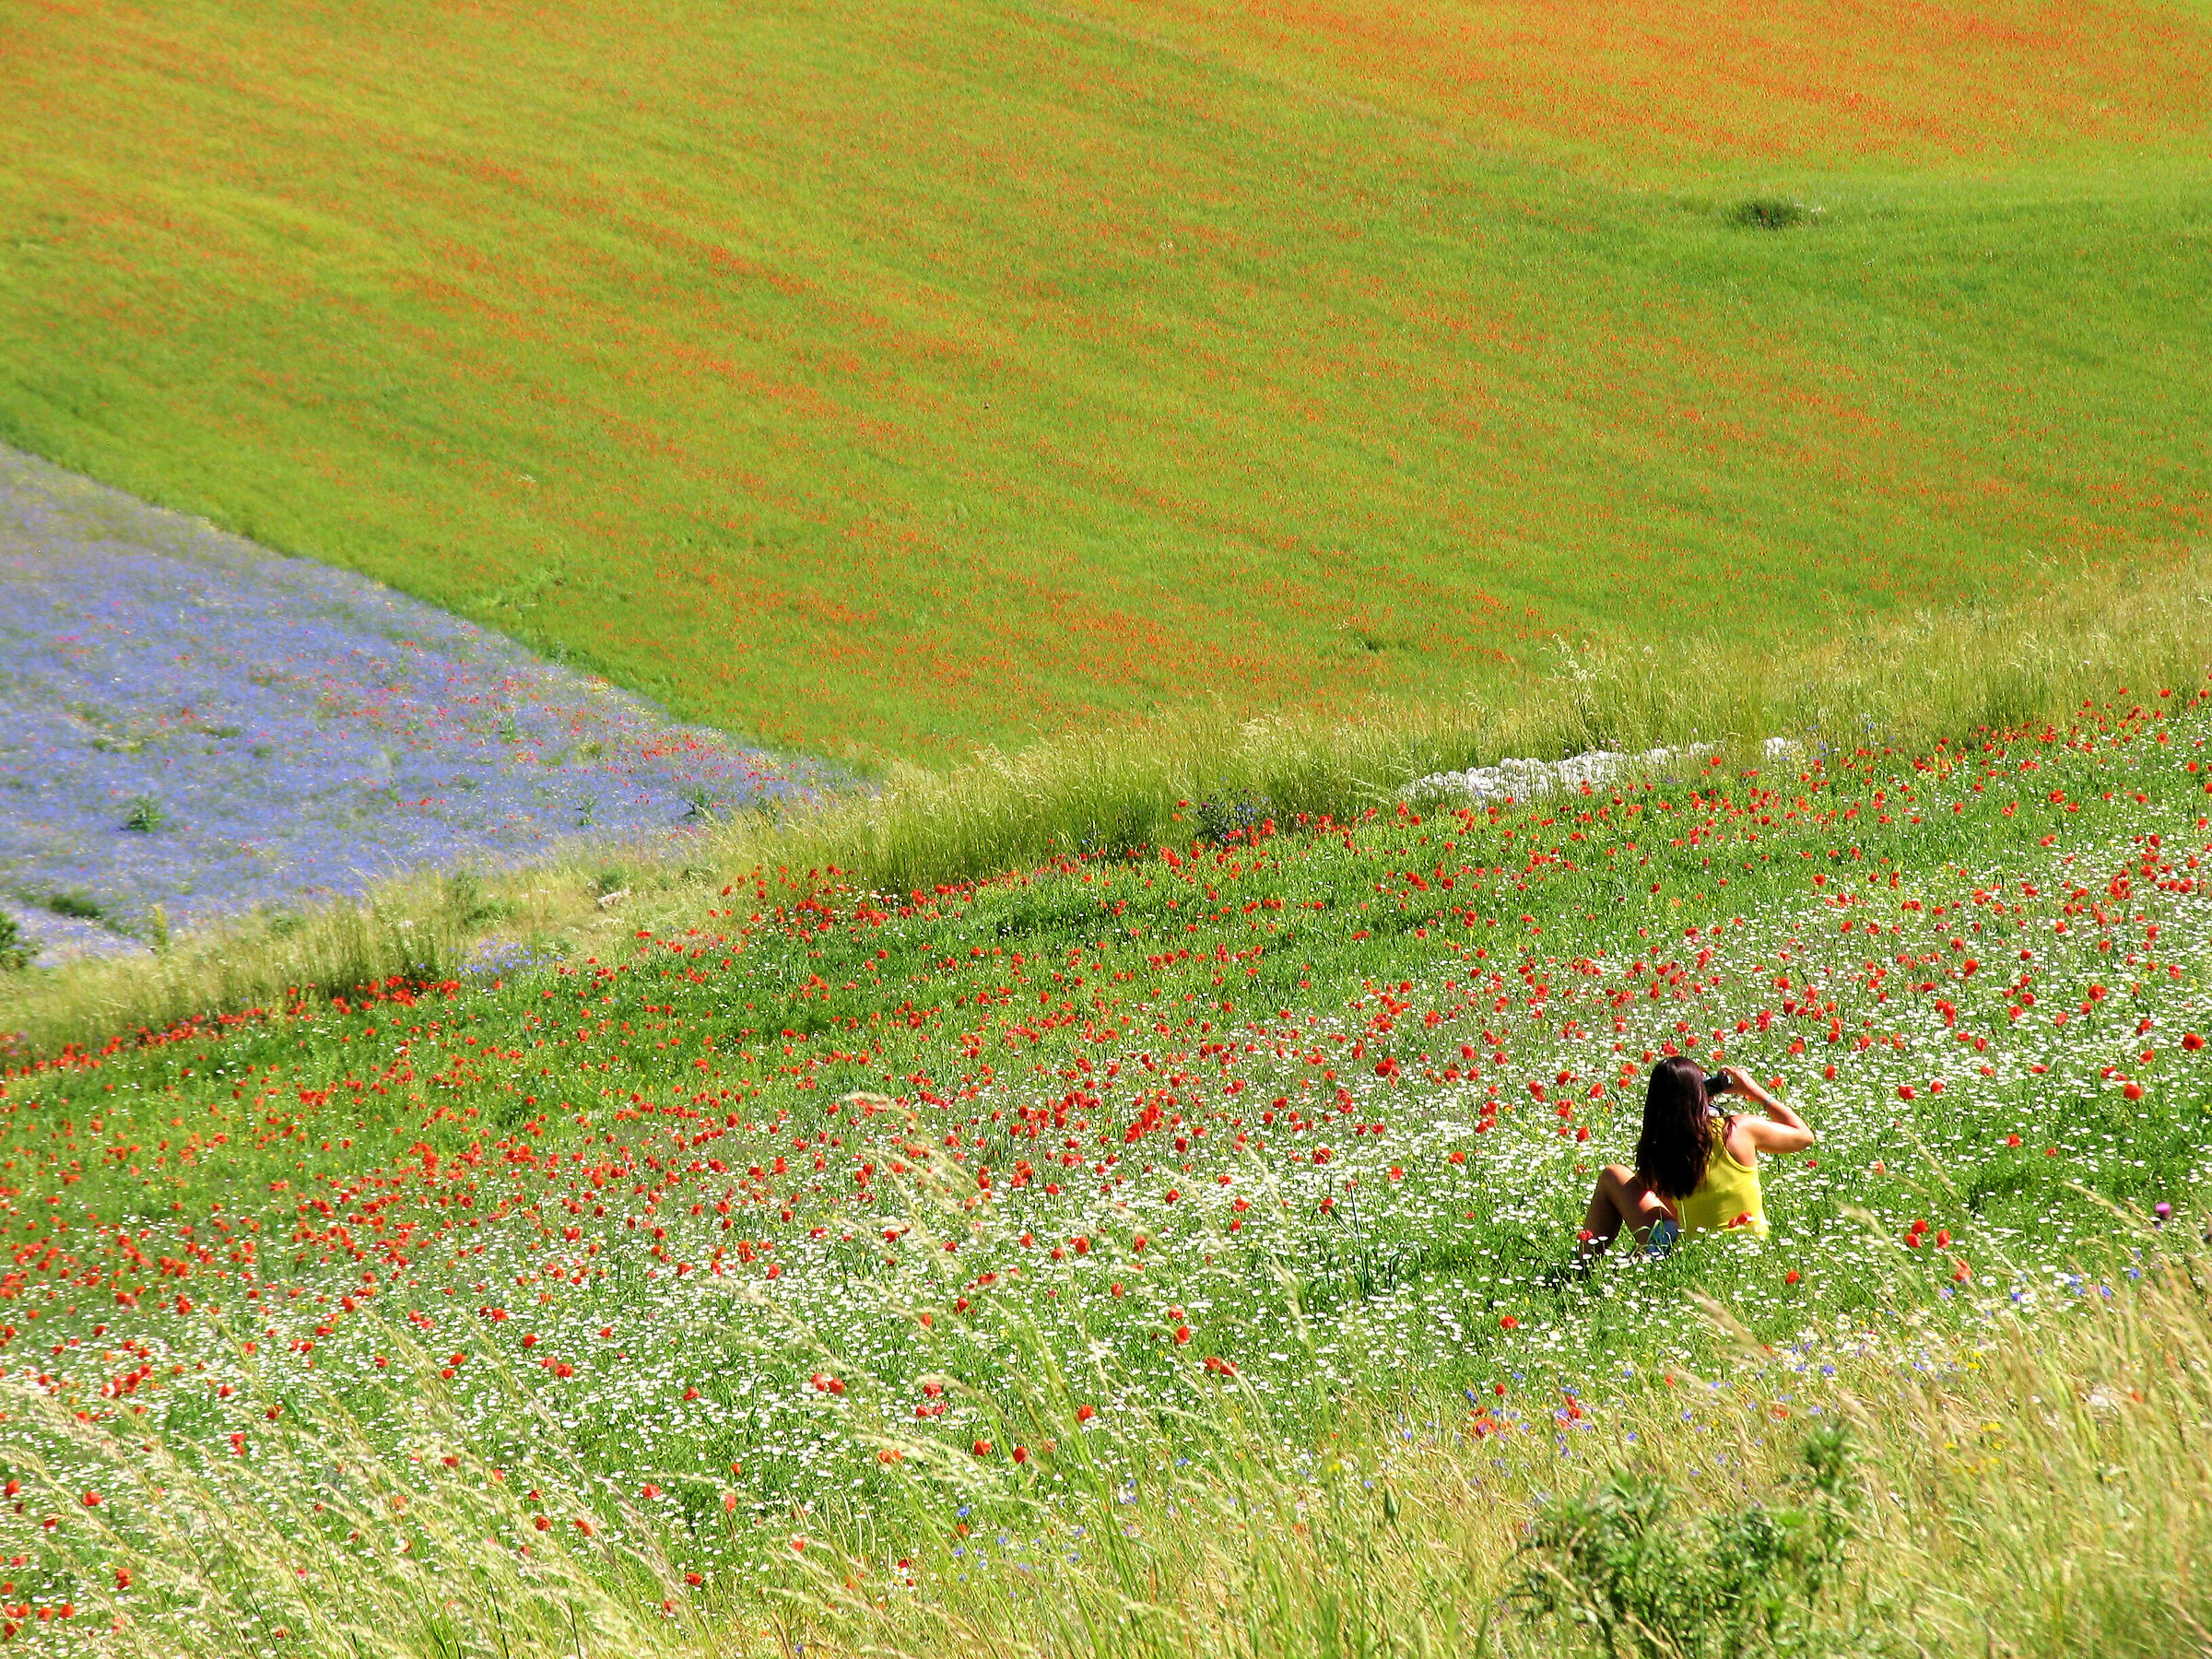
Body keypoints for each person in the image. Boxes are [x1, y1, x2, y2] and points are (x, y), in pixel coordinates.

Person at [1573, 1057, 1815, 1268]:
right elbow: (1804, 1137)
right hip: (1752, 1249)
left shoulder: (1661, 1151)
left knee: (1613, 1175)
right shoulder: (1739, 1129)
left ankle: (1582, 1267)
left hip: (1697, 1255)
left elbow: (1672, 1213)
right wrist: (1754, 1090)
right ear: (1702, 1094)